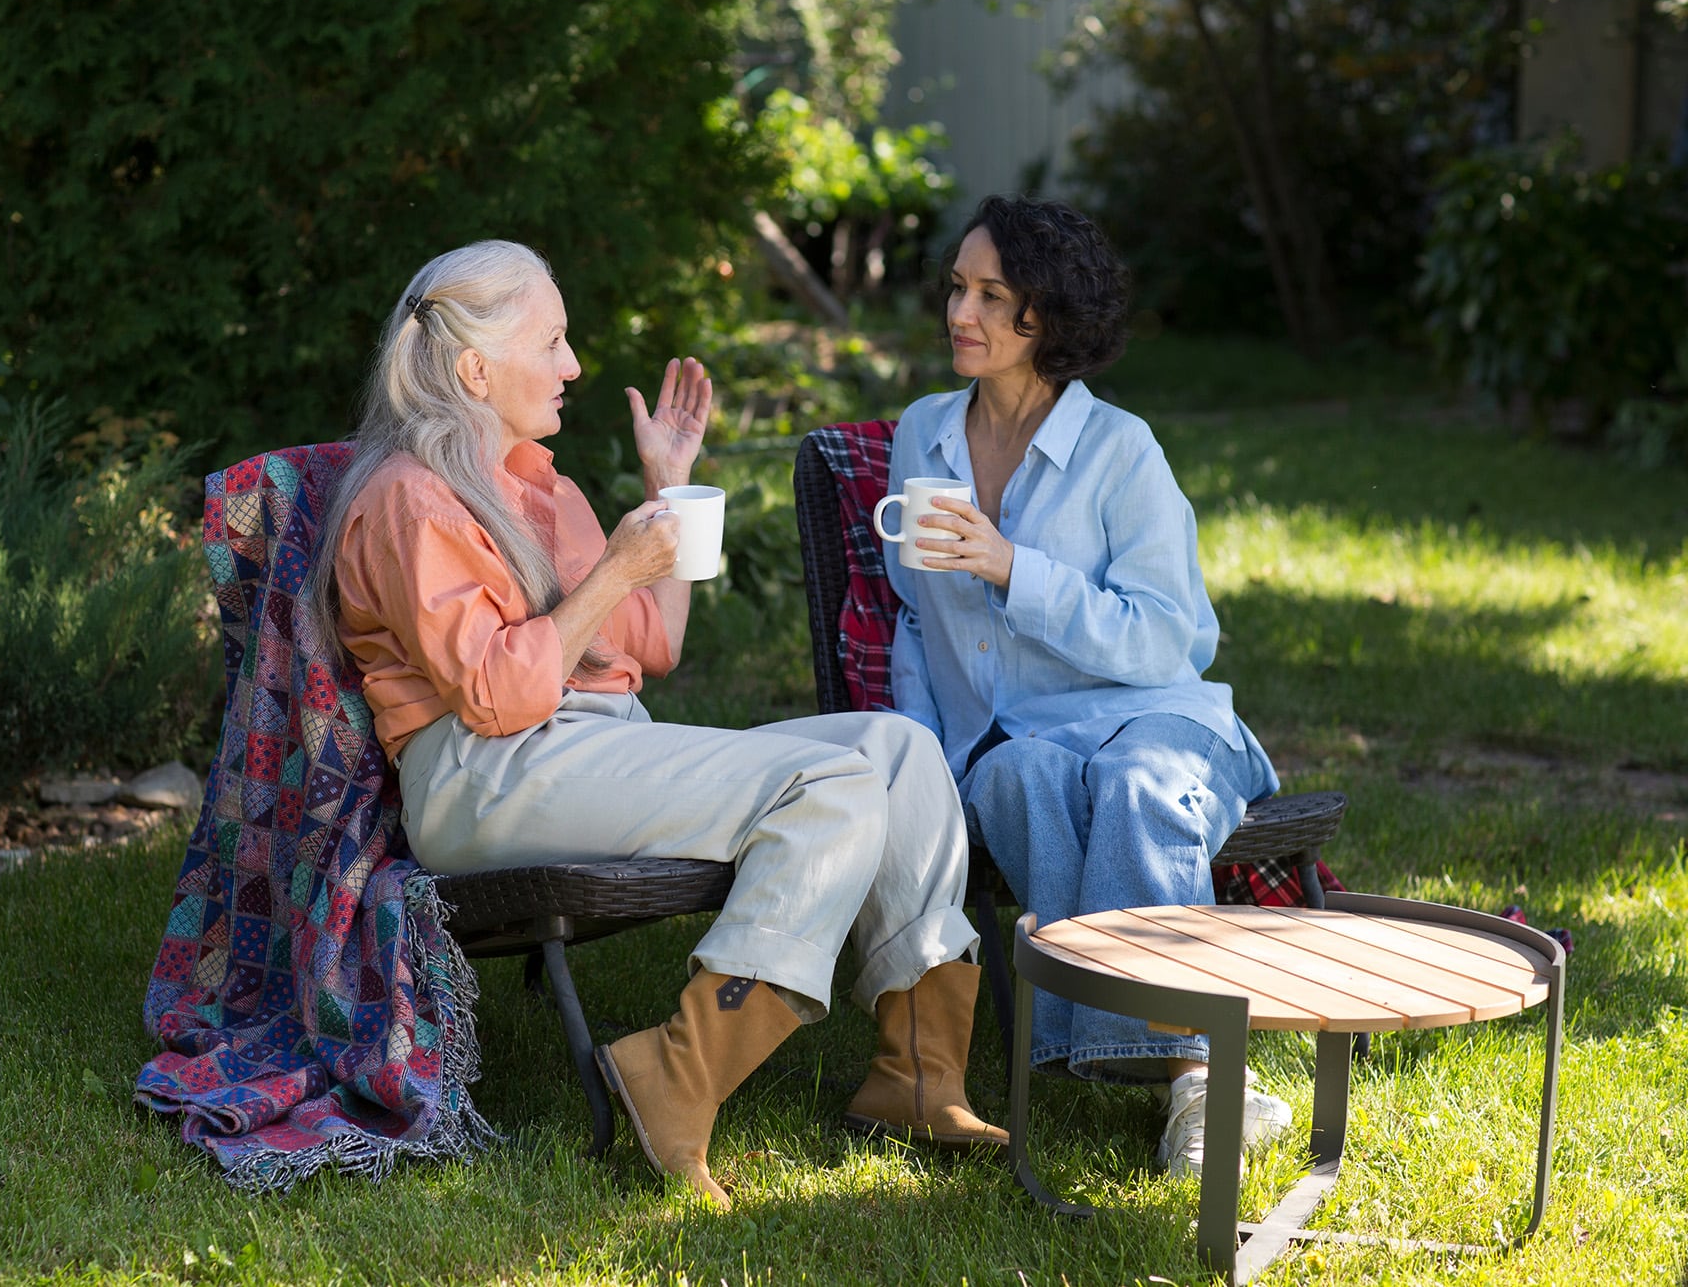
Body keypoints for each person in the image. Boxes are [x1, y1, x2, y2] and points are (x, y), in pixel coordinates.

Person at [309, 239, 1005, 1211]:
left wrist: (667, 488)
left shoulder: (542, 489)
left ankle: (918, 1074)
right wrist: (611, 574)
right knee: (830, 788)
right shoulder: (405, 501)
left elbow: (654, 640)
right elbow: (495, 696)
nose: (572, 366)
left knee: (896, 752)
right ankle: (674, 1075)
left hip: (587, 739)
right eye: (550, 342)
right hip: (487, 773)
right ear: (473, 369)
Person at [881, 195, 1292, 1178]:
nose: (960, 313)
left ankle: (1197, 1075)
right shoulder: (923, 434)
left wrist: (1013, 569)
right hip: (1013, 739)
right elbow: (911, 618)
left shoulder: (1120, 452)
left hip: (1150, 714)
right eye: (956, 288)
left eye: (992, 295)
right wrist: (923, 762)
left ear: (1048, 317)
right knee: (1015, 782)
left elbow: (1170, 638)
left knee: (1140, 789)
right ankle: (1146, 1062)